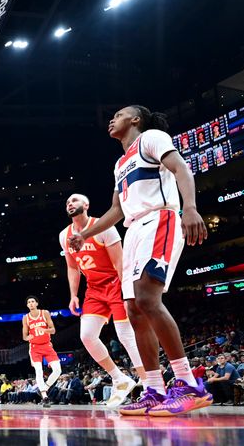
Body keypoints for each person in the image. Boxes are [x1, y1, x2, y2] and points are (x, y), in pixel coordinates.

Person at [68, 105, 211, 416]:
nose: (111, 119)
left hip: (159, 218)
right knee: (134, 309)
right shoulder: (120, 163)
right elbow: (116, 211)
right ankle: (154, 388)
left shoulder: (152, 138)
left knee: (148, 299)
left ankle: (189, 385)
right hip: (133, 229)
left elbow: (181, 169)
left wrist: (190, 208)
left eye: (119, 115)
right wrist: (87, 234)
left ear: (135, 120)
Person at [60, 193, 146, 408]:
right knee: (87, 336)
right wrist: (73, 295)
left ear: (86, 205)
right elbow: (72, 267)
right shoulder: (65, 235)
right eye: (68, 202)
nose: (70, 203)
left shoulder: (103, 226)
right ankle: (120, 378)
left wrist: (127, 292)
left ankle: (149, 384)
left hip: (116, 282)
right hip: (94, 289)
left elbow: (120, 262)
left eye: (75, 200)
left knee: (126, 335)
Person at [22, 296, 61, 408]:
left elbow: (53, 330)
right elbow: (24, 336)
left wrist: (44, 330)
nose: (31, 303)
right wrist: (28, 337)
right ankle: (44, 396)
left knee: (58, 370)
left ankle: (45, 388)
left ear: (37, 303)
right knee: (39, 371)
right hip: (34, 347)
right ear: (27, 305)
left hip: (47, 345)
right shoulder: (26, 318)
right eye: (29, 302)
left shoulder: (45, 313)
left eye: (33, 301)